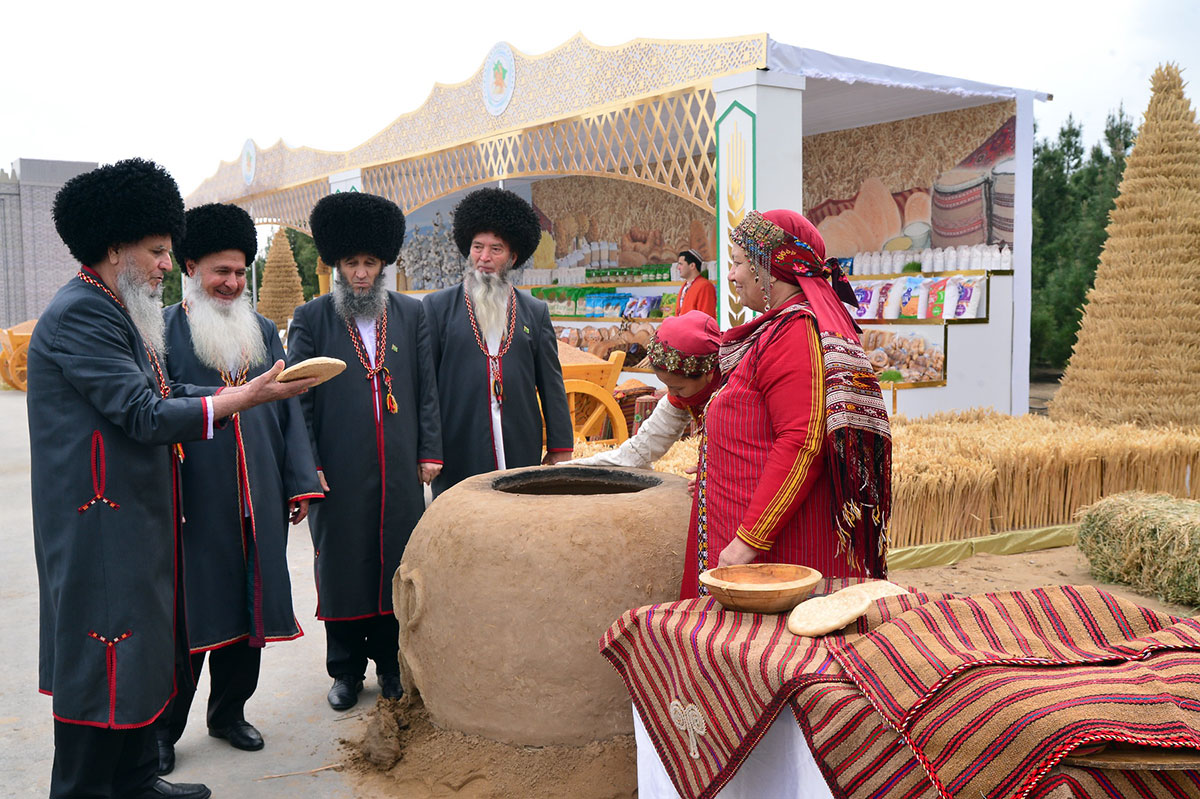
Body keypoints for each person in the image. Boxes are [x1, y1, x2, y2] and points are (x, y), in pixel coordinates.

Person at [29, 158, 316, 799]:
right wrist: (243, 400)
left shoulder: (119, 309)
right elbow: (143, 412)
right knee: (102, 660)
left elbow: (162, 387)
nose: (166, 263)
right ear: (113, 246)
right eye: (158, 251)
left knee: (140, 655)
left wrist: (253, 390)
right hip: (97, 522)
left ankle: (135, 781)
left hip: (136, 519)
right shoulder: (82, 313)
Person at [156, 203, 324, 773]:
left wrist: (300, 482)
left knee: (249, 611)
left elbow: (290, 411)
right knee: (189, 617)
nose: (230, 283)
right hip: (194, 501)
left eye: (238, 271)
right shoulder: (161, 331)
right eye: (218, 271)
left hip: (262, 498)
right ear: (191, 266)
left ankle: (229, 714)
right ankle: (165, 730)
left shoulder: (263, 333)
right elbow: (154, 408)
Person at [680, 209, 892, 599]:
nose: (731, 275)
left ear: (769, 269)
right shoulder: (775, 329)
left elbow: (802, 440)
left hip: (772, 548)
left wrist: (750, 540)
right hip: (748, 526)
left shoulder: (794, 332)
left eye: (739, 263)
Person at [287, 191, 442, 712]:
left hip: (398, 467)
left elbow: (427, 388)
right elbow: (298, 400)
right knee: (342, 567)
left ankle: (392, 666)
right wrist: (309, 467)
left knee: (397, 564)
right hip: (339, 469)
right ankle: (346, 671)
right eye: (350, 263)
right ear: (336, 264)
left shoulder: (410, 313)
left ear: (382, 264)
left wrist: (429, 449)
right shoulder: (311, 320)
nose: (359, 273)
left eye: (369, 263)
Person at [424, 187, 573, 495]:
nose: (484, 258)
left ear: (513, 256)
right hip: (459, 441)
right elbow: (426, 386)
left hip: (519, 438)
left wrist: (560, 445)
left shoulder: (534, 311)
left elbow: (551, 383)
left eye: (496, 249)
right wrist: (429, 449)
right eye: (478, 247)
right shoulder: (437, 307)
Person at [568, 311, 720, 469]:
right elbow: (641, 449)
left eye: (678, 387)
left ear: (708, 373)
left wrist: (714, 469)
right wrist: (577, 466)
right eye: (668, 386)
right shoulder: (683, 395)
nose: (672, 393)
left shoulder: (734, 391)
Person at [675, 249, 717, 319]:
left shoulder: (705, 286)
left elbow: (705, 318)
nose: (678, 268)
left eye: (681, 264)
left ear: (692, 265)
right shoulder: (685, 286)